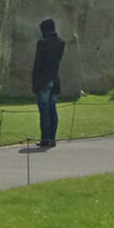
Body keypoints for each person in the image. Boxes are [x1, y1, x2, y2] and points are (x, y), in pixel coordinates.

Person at [31, 18, 65, 148]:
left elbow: (37, 64)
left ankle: (45, 138)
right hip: (55, 79)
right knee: (52, 109)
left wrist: (34, 83)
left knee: (44, 112)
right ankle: (52, 138)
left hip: (43, 80)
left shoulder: (42, 43)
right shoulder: (61, 43)